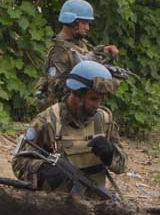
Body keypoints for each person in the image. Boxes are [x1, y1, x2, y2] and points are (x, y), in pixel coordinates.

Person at [11, 60, 126, 196]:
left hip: (96, 205)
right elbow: (19, 163)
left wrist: (110, 154)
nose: (97, 105)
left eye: (101, 99)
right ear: (77, 95)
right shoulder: (48, 122)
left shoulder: (104, 120)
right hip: (57, 206)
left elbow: (122, 166)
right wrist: (43, 170)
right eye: (93, 99)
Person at [36, 0, 120, 107]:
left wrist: (103, 52)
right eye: (84, 23)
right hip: (64, 110)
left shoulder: (79, 43)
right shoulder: (58, 51)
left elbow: (85, 56)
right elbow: (57, 87)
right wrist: (90, 82)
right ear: (72, 22)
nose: (87, 27)